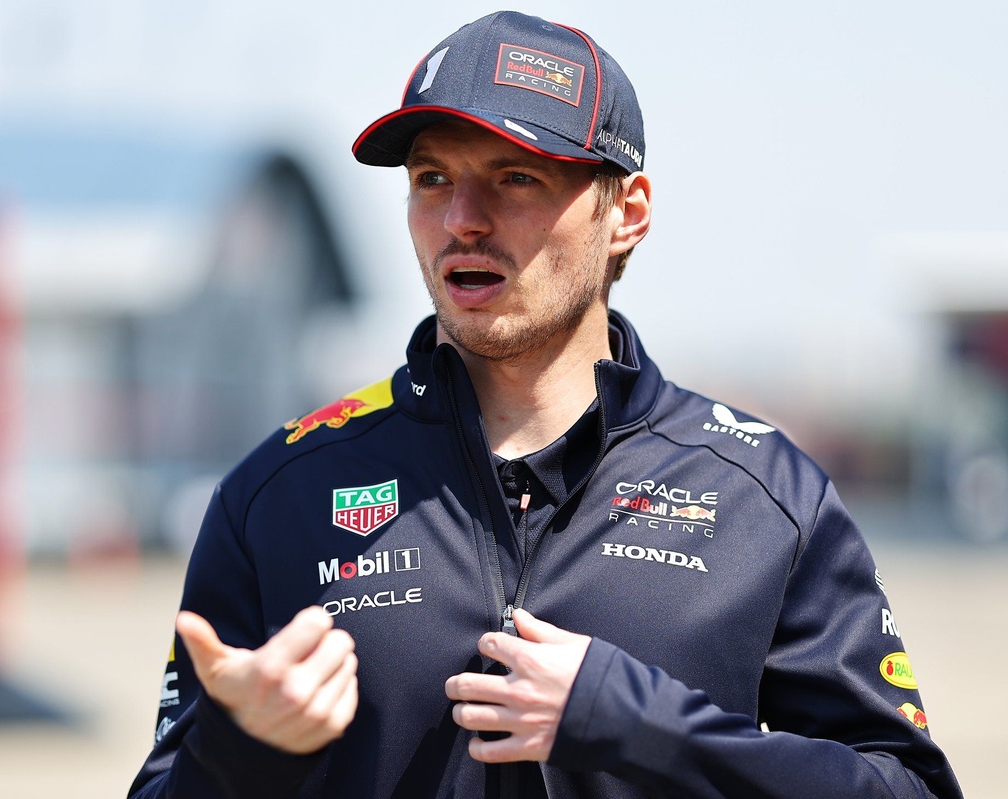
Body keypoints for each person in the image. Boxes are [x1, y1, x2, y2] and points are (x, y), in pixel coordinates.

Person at [129, 10, 962, 798]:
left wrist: (636, 720)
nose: (462, 219)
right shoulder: (280, 492)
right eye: (432, 178)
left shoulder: (765, 496)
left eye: (516, 177)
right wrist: (237, 749)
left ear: (626, 212)